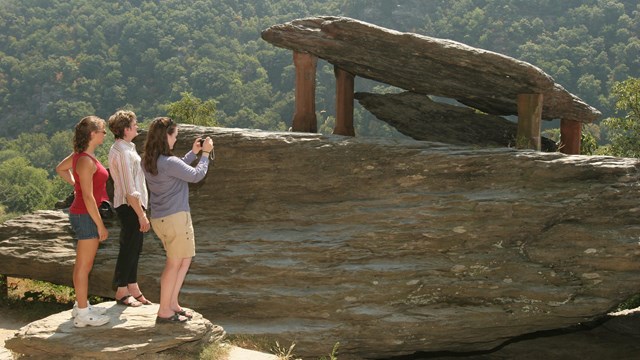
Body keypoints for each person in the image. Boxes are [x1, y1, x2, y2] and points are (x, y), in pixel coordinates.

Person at [142, 117, 213, 323]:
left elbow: (175, 167)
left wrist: (193, 153)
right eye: (174, 136)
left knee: (183, 260)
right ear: (166, 136)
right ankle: (165, 311)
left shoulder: (148, 160)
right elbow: (195, 175)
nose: (175, 140)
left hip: (160, 219)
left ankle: (172, 303)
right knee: (174, 264)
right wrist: (206, 154)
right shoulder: (168, 162)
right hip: (176, 219)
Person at [55, 116, 110, 328]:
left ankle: (81, 306)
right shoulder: (86, 160)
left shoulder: (81, 156)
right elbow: (88, 197)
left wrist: (75, 184)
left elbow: (60, 168)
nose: (105, 134)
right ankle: (83, 314)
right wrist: (100, 225)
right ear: (92, 134)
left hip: (82, 212)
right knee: (84, 266)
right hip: (85, 215)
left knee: (82, 264)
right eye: (103, 131)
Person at [107, 110, 152, 307]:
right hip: (129, 206)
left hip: (134, 205)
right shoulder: (123, 152)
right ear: (126, 129)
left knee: (135, 247)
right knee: (128, 248)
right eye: (134, 124)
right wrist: (141, 214)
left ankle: (132, 286)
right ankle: (121, 291)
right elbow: (128, 189)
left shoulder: (127, 147)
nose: (137, 126)